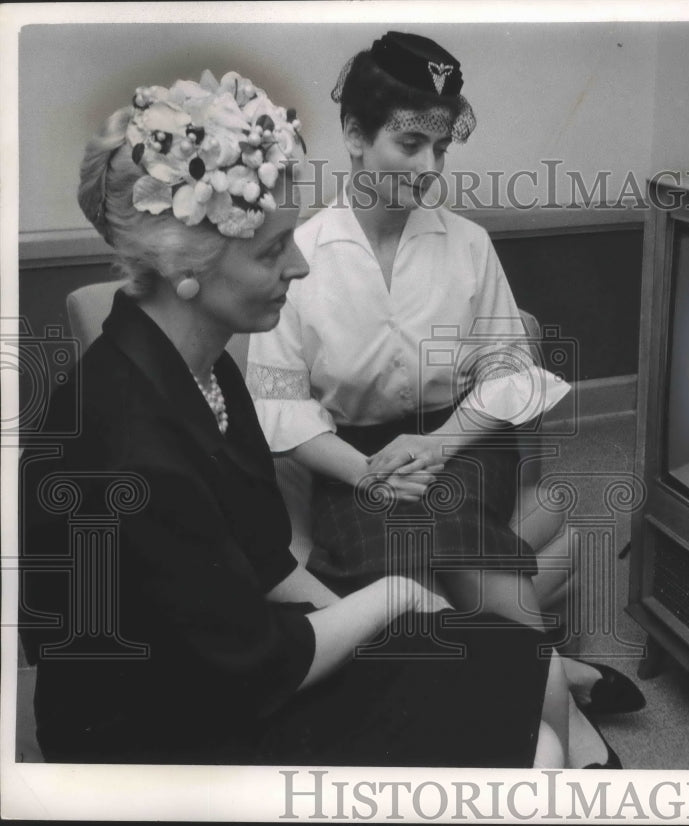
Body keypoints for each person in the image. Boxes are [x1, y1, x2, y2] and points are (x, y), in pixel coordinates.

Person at [18, 70, 565, 767]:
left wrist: (382, 626)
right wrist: (392, 599)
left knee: (526, 664)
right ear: (188, 265)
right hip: (168, 736)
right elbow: (257, 665)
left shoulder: (202, 367)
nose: (302, 266)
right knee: (534, 747)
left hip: (235, 664)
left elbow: (264, 561)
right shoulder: (132, 443)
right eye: (274, 250)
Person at [246, 32, 645, 743]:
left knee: (447, 517)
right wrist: (370, 468)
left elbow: (510, 373)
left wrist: (436, 447)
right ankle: (567, 700)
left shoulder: (467, 244)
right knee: (413, 532)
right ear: (355, 137)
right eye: (409, 145)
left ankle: (557, 717)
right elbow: (278, 403)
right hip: (355, 463)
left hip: (462, 447)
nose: (429, 169)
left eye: (442, 149)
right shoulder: (300, 254)